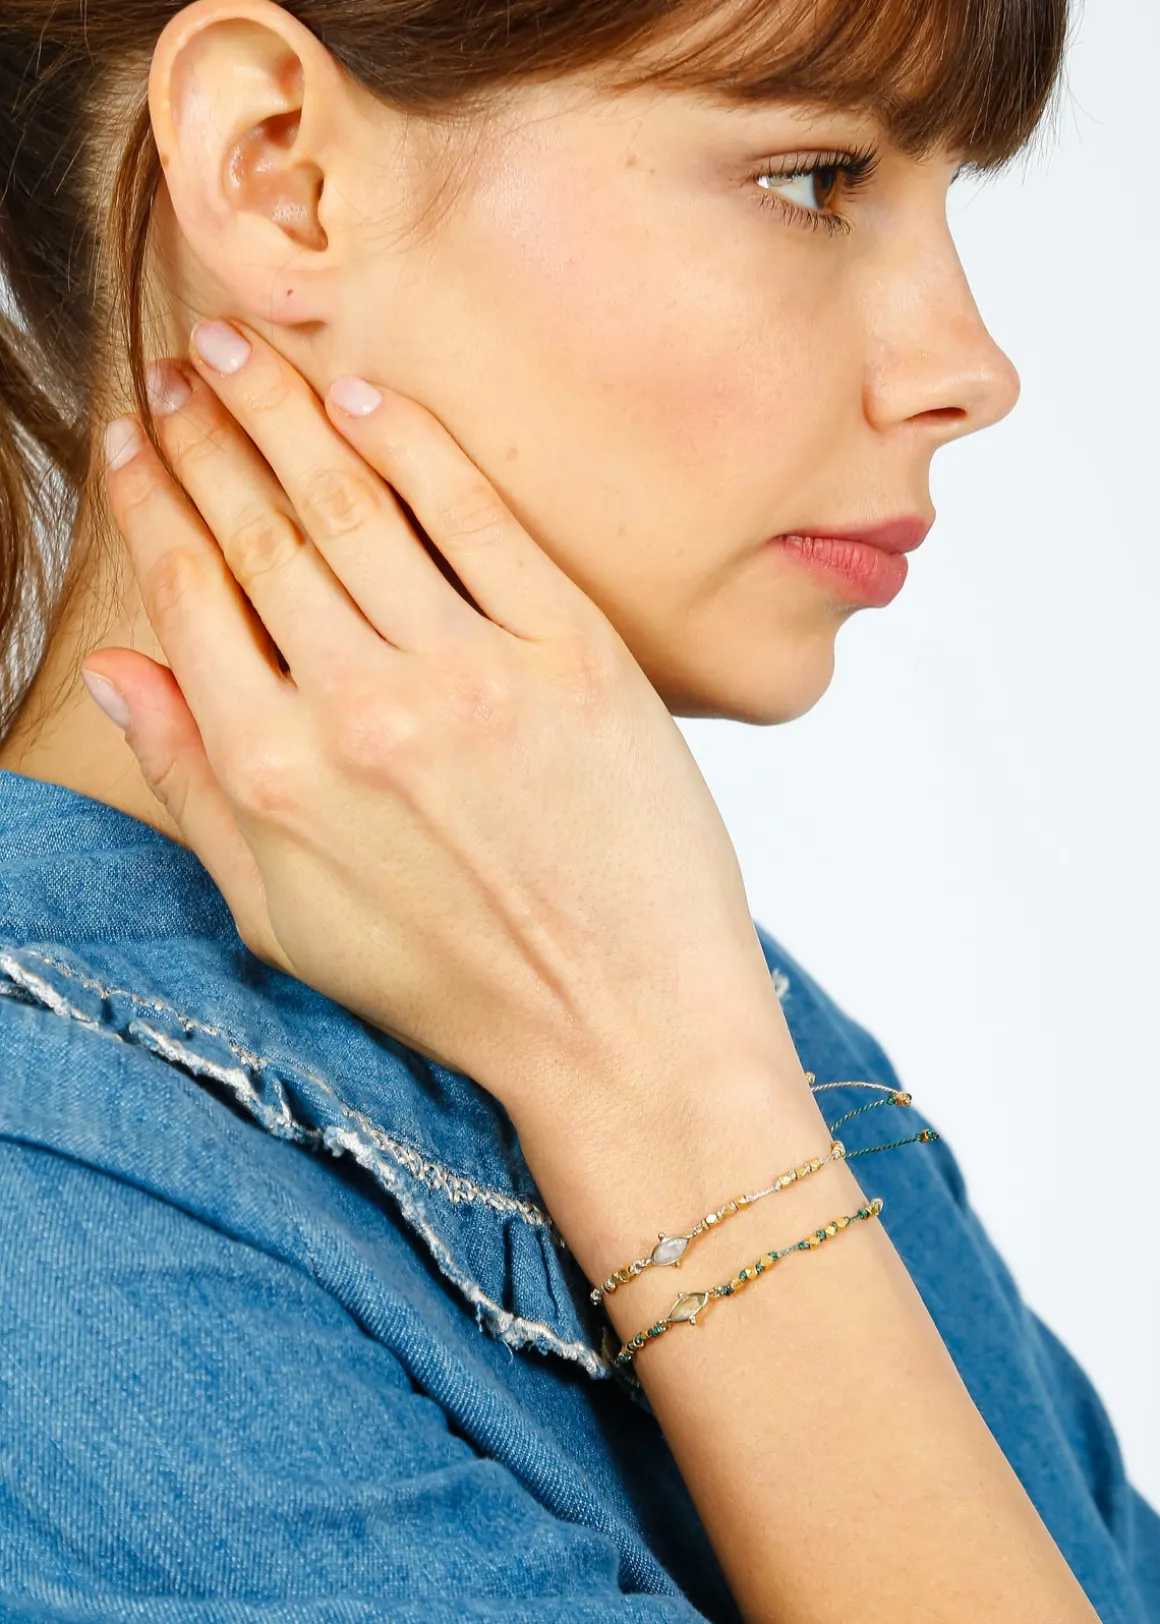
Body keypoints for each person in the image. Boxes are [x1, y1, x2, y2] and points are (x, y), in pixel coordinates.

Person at [0, 0, 1155, 1619]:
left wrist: (665, 1053)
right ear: (277, 170)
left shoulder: (717, 1003)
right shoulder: (52, 1215)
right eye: (815, 180)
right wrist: (668, 1087)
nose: (973, 370)